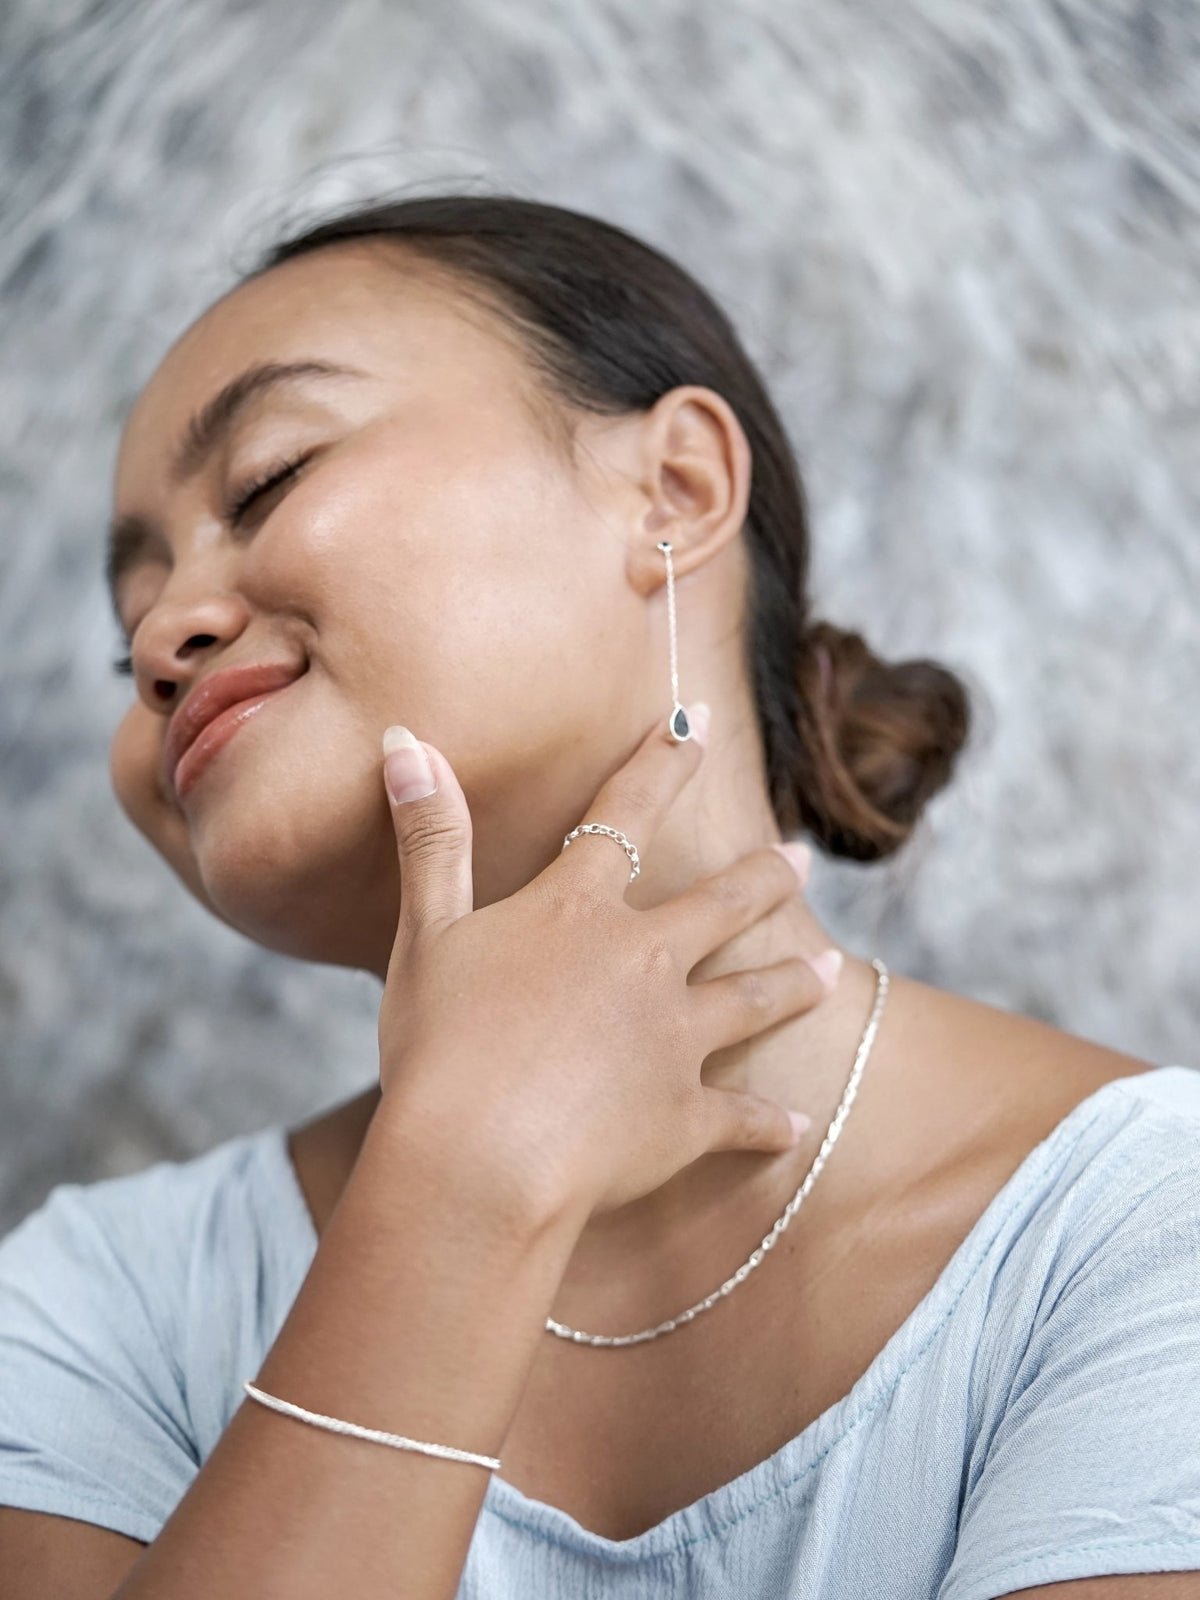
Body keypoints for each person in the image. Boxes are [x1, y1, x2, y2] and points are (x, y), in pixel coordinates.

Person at [0, 194, 1197, 1600]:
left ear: (675, 490)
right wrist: (463, 1185)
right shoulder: (98, 1309)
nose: (157, 640)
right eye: (121, 627)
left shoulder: (1142, 1236)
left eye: (267, 479)